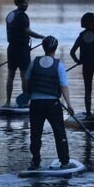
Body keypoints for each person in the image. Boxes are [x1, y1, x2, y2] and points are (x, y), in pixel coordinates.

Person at [25, 36, 75, 170]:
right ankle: (64, 162)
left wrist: (29, 94)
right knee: (59, 133)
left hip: (35, 104)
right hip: (53, 104)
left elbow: (27, 81)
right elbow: (64, 86)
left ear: (43, 47)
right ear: (55, 48)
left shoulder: (33, 62)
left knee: (35, 133)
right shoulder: (59, 65)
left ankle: (35, 162)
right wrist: (69, 105)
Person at [5, 0, 45, 107]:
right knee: (25, 76)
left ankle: (7, 102)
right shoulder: (23, 16)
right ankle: (25, 102)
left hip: (11, 49)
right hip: (22, 50)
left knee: (10, 75)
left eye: (27, 3)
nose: (26, 5)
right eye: (24, 3)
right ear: (18, 3)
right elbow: (28, 31)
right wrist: (42, 37)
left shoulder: (10, 15)